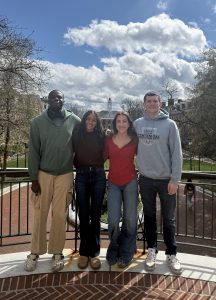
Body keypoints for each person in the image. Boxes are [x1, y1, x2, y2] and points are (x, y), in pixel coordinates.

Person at [24, 90, 80, 272]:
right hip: (43, 174)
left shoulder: (74, 121)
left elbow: (86, 140)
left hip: (64, 175)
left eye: (60, 97)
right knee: (40, 213)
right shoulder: (37, 122)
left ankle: (57, 252)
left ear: (64, 101)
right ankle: (35, 252)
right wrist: (33, 177)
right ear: (48, 100)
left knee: (59, 215)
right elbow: (33, 151)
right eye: (53, 97)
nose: (57, 100)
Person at [134, 91, 183, 275]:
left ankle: (171, 254)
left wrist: (174, 179)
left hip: (165, 181)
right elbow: (126, 142)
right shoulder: (137, 124)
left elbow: (177, 154)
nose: (153, 104)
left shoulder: (170, 125)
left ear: (160, 103)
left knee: (169, 219)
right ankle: (152, 250)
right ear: (144, 104)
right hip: (146, 179)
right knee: (149, 216)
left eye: (155, 101)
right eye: (149, 101)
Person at [72, 110, 106, 270]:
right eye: (88, 119)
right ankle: (84, 253)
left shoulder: (102, 136)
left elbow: (108, 152)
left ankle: (95, 253)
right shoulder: (77, 134)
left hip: (98, 175)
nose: (91, 122)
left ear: (97, 122)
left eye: (94, 120)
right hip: (82, 175)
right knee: (84, 216)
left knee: (96, 216)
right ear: (84, 120)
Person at [105, 111, 138, 268]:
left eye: (124, 121)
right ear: (115, 123)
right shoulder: (108, 141)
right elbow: (99, 156)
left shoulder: (135, 140)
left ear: (129, 123)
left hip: (130, 182)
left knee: (130, 220)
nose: (122, 124)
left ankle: (127, 252)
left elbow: (147, 156)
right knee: (112, 220)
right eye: (119, 121)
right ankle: (113, 249)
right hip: (113, 183)